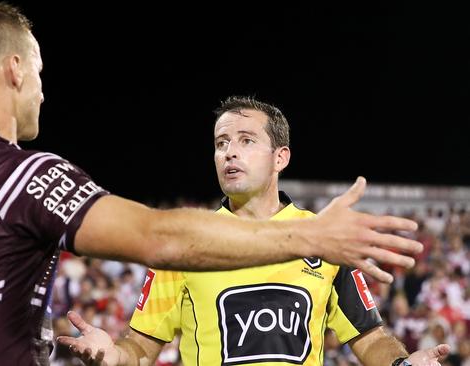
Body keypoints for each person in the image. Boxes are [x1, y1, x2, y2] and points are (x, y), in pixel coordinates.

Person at [0, 3, 422, 366]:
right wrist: (314, 238)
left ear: (281, 156)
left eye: (245, 141)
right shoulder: (24, 175)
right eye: (38, 71)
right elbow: (158, 237)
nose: (42, 89)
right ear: (14, 68)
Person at [57, 96, 450, 366]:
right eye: (221, 143)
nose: (229, 151)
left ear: (281, 157)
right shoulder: (188, 239)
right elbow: (141, 345)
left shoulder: (322, 237)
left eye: (246, 141)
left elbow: (370, 338)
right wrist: (114, 355)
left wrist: (401, 362)